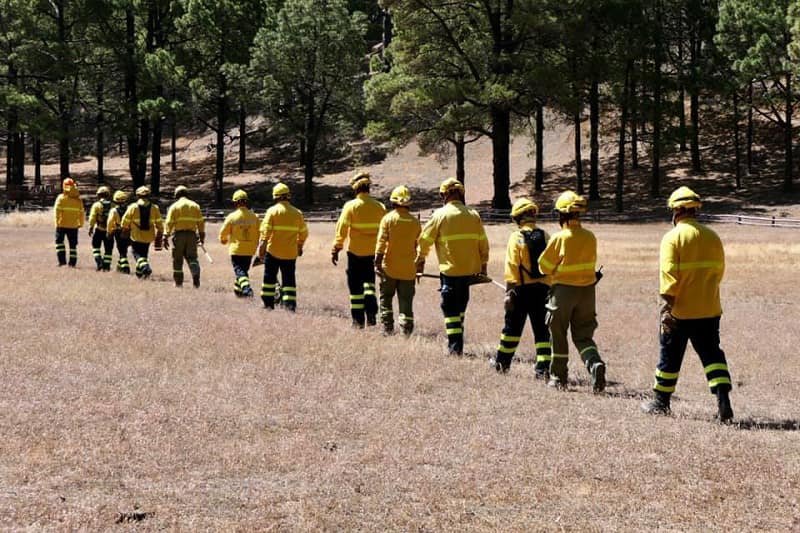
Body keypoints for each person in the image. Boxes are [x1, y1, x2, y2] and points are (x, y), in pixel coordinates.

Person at [641, 186, 733, 422]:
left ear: (677, 210)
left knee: (669, 356)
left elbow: (668, 277)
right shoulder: (713, 236)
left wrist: (667, 308)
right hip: (710, 309)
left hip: (681, 310)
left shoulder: (672, 238)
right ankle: (723, 399)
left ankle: (661, 402)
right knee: (712, 355)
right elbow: (718, 273)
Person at [538, 190, 606, 392]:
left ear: (561, 215)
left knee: (558, 334)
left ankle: (558, 378)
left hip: (563, 293)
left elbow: (544, 267)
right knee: (583, 336)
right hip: (587, 293)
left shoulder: (560, 238)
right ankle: (594, 364)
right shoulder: (590, 236)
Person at [415, 177, 489, 355]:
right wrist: (483, 266)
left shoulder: (439, 215)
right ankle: (457, 346)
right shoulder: (473, 215)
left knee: (450, 310)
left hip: (450, 272)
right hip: (469, 273)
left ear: (446, 194)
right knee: (460, 309)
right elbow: (483, 243)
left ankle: (455, 349)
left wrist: (420, 262)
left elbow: (424, 241)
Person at [493, 198, 552, 376]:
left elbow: (512, 264)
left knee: (511, 330)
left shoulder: (516, 237)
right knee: (542, 332)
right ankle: (542, 369)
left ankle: (502, 364)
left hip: (520, 290)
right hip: (543, 290)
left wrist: (509, 292)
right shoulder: (546, 235)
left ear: (518, 218)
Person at [331, 172, 386, 327]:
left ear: (355, 189)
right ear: (369, 187)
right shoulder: (379, 207)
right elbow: (386, 230)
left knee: (355, 288)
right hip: (373, 254)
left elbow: (341, 229)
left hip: (355, 254)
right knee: (369, 284)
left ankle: (358, 321)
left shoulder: (350, 206)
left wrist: (336, 248)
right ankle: (371, 312)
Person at [375, 185, 421, 336]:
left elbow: (381, 243)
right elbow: (420, 247)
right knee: (406, 302)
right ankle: (406, 331)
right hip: (408, 270)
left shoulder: (387, 219)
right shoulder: (415, 222)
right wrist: (420, 268)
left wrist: (377, 262)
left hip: (389, 268)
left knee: (386, 298)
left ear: (393, 202)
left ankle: (387, 329)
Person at [257, 182, 308, 311]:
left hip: (273, 251)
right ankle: (289, 305)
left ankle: (268, 304)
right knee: (289, 279)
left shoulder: (272, 211)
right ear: (288, 196)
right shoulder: (297, 213)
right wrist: (299, 246)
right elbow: (303, 233)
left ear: (276, 197)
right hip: (290, 253)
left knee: (269, 278)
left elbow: (265, 234)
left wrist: (261, 250)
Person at [220, 189, 260, 297]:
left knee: (240, 271)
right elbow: (259, 233)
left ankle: (247, 290)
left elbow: (223, 233)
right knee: (244, 271)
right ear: (246, 202)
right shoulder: (255, 217)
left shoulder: (232, 217)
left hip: (236, 249)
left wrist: (223, 240)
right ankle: (238, 291)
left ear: (235, 202)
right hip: (250, 249)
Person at [163, 185, 205, 288]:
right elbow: (201, 223)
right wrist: (201, 236)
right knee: (192, 258)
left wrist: (165, 237)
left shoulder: (174, 206)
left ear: (176, 195)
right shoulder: (195, 206)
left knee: (177, 260)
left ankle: (178, 283)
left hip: (179, 236)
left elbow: (169, 223)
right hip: (191, 236)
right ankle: (195, 275)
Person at [121, 186, 163, 279]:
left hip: (136, 235)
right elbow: (159, 223)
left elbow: (125, 221)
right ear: (148, 196)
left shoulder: (133, 207)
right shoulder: (154, 208)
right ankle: (139, 274)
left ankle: (145, 267)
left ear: (138, 195)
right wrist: (160, 233)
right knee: (144, 254)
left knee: (136, 253)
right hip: (148, 236)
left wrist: (124, 230)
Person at [53, 177, 85, 267]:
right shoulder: (78, 199)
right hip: (74, 226)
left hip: (61, 225)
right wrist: (81, 224)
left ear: (64, 186)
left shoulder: (61, 198)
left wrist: (57, 223)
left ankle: (62, 262)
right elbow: (82, 213)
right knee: (73, 246)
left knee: (59, 243)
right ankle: (72, 263)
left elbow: (57, 212)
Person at [88, 186, 114, 271]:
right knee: (108, 249)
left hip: (99, 230)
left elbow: (92, 217)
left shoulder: (97, 205)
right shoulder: (112, 205)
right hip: (109, 231)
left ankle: (99, 262)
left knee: (95, 246)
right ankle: (106, 266)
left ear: (99, 195)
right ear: (108, 195)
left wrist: (91, 227)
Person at [106, 190, 132, 274]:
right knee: (124, 250)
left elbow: (110, 222)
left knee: (122, 251)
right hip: (129, 231)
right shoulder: (130, 209)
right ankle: (119, 267)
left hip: (119, 232)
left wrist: (109, 232)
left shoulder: (113, 211)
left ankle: (125, 268)